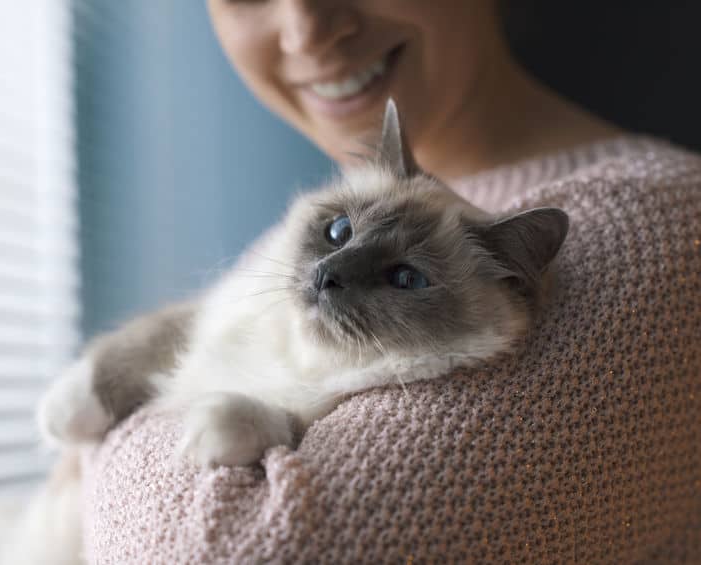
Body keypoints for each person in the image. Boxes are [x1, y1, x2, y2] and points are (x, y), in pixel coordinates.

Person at [83, 2, 701, 563]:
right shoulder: (348, 205)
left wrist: (99, 448)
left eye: (404, 277)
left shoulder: (648, 229)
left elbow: (214, 548)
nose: (306, 31)